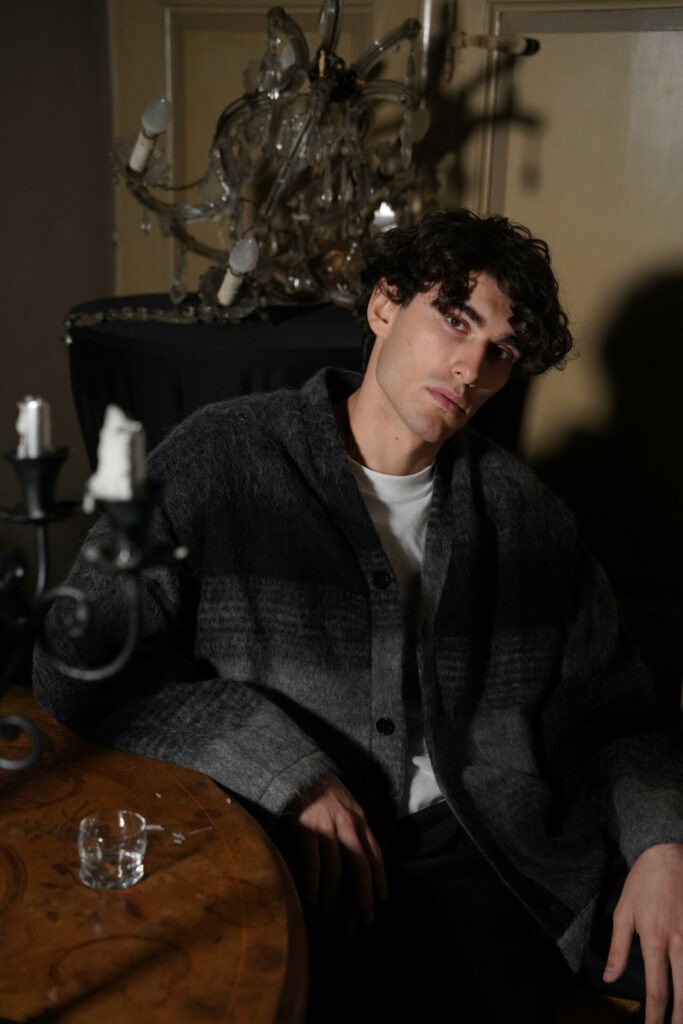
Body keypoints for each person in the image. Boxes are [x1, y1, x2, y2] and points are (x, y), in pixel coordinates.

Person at [33, 209, 683, 1023]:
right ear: (383, 306)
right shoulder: (221, 459)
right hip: (284, 853)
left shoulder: (524, 514)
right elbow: (78, 660)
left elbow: (616, 716)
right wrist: (281, 767)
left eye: (502, 350)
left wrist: (661, 844)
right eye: (455, 319)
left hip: (489, 859)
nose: (471, 366)